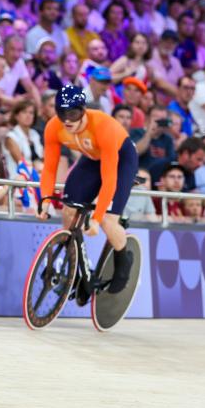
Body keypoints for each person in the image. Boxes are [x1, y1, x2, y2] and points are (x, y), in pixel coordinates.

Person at [39, 85, 139, 295]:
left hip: (120, 159)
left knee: (106, 220)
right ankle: (76, 268)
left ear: (83, 110)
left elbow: (109, 178)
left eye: (73, 114)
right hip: (92, 157)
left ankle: (123, 260)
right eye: (62, 114)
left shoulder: (103, 125)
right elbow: (49, 168)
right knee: (68, 210)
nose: (67, 120)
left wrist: (96, 217)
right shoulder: (52, 128)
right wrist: (45, 202)